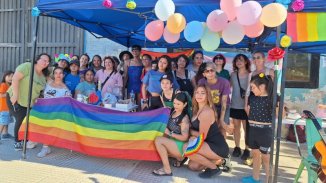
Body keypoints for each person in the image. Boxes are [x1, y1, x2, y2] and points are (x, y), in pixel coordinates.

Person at [6, 53, 51, 151]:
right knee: (21, 119)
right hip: (15, 98)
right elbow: (15, 79)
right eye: (44, 60)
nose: (46, 63)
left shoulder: (43, 76)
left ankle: (25, 139)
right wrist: (15, 95)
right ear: (37, 59)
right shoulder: (27, 66)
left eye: (48, 62)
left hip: (29, 103)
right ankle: (17, 142)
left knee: (28, 121)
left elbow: (39, 92)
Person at [185, 85, 229, 178]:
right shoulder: (197, 109)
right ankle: (218, 161)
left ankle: (214, 168)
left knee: (186, 148)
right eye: (197, 92)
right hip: (207, 145)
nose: (199, 95)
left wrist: (191, 132)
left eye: (202, 93)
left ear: (207, 95)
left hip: (217, 147)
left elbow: (202, 136)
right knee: (193, 166)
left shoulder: (207, 112)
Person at [242, 73, 273, 183]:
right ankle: (255, 178)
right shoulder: (253, 98)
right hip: (253, 130)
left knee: (266, 158)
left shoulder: (272, 99)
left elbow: (281, 115)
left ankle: (269, 180)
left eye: (253, 87)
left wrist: (280, 104)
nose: (252, 90)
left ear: (262, 87)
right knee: (255, 155)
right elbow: (249, 112)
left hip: (265, 132)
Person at [152, 92, 191, 176]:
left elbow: (185, 137)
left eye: (178, 104)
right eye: (174, 103)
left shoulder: (184, 118)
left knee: (158, 140)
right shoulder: (173, 111)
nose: (175, 105)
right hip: (173, 142)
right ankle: (179, 159)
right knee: (156, 136)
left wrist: (170, 133)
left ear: (185, 104)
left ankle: (167, 169)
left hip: (180, 145)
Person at [37, 67, 71, 158]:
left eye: (60, 73)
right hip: (44, 110)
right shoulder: (48, 82)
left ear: (63, 75)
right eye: (56, 73)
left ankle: (45, 147)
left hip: (55, 114)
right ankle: (37, 143)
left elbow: (66, 104)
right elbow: (43, 70)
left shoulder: (66, 89)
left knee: (48, 129)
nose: (58, 75)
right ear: (53, 74)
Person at [198, 62, 233, 135]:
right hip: (209, 106)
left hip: (224, 106)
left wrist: (221, 119)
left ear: (215, 71)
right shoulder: (201, 82)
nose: (210, 73)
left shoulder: (224, 82)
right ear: (204, 74)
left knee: (222, 127)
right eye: (207, 71)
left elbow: (224, 101)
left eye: (212, 70)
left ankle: (222, 145)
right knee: (210, 127)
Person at [230, 54, 251, 160]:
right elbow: (228, 87)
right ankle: (237, 147)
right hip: (234, 104)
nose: (239, 62)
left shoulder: (250, 74)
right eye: (237, 60)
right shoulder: (233, 75)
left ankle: (247, 149)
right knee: (236, 128)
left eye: (241, 60)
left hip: (246, 106)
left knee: (247, 128)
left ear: (246, 62)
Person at [0, 71, 14, 140]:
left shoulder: (9, 85)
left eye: (12, 76)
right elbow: (1, 95)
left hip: (8, 107)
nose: (11, 78)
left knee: (6, 121)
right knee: (3, 122)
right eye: (9, 76)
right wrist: (10, 94)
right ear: (5, 76)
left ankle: (5, 134)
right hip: (4, 107)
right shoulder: (3, 84)